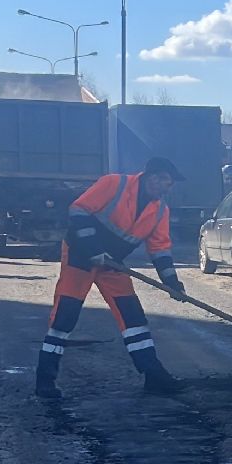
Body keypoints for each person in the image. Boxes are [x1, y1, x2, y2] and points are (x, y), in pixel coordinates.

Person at [35, 156, 190, 399]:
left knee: (133, 316)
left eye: (169, 185)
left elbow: (160, 249)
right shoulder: (114, 184)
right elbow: (78, 210)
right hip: (80, 256)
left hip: (112, 264)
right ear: (152, 177)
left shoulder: (160, 210)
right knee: (65, 315)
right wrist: (94, 249)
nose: (167, 189)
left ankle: (153, 375)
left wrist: (172, 283)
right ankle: (45, 381)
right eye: (165, 182)